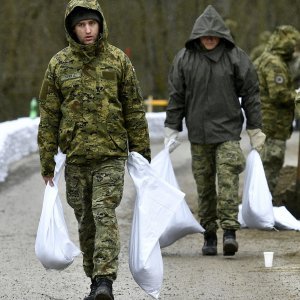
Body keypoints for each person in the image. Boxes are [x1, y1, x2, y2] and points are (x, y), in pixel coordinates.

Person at [37, 0, 151, 299]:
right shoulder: (59, 65)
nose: (87, 30)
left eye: (91, 23)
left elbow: (134, 109)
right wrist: (46, 160)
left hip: (110, 155)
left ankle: (105, 280)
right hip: (75, 157)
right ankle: (94, 281)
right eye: (80, 25)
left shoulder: (117, 61)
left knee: (104, 213)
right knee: (86, 221)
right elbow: (49, 115)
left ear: (100, 24)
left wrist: (141, 154)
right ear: (72, 29)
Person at [164, 5, 265, 257]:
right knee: (205, 186)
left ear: (221, 35)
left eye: (213, 34)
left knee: (228, 179)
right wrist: (172, 127)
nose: (209, 38)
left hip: (228, 132)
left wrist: (255, 127)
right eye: (204, 34)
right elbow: (176, 96)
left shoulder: (235, 57)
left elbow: (251, 93)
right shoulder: (184, 59)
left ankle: (229, 231)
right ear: (197, 35)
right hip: (198, 134)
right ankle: (209, 234)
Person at [254, 25, 300, 195]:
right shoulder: (275, 64)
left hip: (265, 124)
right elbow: (278, 94)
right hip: (273, 126)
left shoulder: (265, 58)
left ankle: (260, 206)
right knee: (270, 168)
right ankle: (264, 208)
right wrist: (297, 96)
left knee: (263, 166)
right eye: (294, 45)